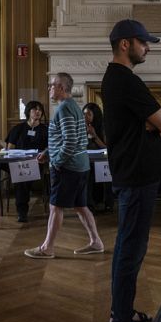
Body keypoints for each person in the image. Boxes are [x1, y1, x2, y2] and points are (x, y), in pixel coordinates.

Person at [102, 18, 161, 322]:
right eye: (144, 43)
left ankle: (121, 311)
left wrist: (150, 124)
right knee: (131, 250)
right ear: (126, 44)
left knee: (127, 248)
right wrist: (152, 123)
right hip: (137, 177)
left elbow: (154, 124)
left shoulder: (115, 79)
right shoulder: (126, 80)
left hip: (132, 175)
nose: (148, 49)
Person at [24, 73, 104, 259]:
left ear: (60, 87)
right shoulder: (73, 107)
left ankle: (47, 248)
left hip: (68, 168)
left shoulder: (64, 109)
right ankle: (96, 242)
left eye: (52, 85)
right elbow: (76, 139)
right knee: (81, 206)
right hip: (79, 165)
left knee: (55, 207)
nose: (49, 88)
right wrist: (49, 152)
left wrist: (57, 160)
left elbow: (70, 141)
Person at [5, 100, 48, 222]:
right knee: (22, 175)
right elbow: (10, 148)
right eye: (35, 109)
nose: (38, 112)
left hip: (38, 163)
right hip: (18, 163)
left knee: (24, 176)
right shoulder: (19, 128)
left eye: (40, 109)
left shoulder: (45, 129)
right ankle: (22, 211)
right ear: (28, 112)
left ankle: (22, 210)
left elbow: (50, 147)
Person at [83, 102, 113, 213]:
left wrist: (95, 136)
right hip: (87, 160)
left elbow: (107, 148)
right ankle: (89, 204)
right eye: (84, 114)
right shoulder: (80, 127)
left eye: (88, 114)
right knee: (86, 173)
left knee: (106, 175)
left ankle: (108, 203)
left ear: (95, 115)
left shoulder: (103, 127)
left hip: (103, 159)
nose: (85, 117)